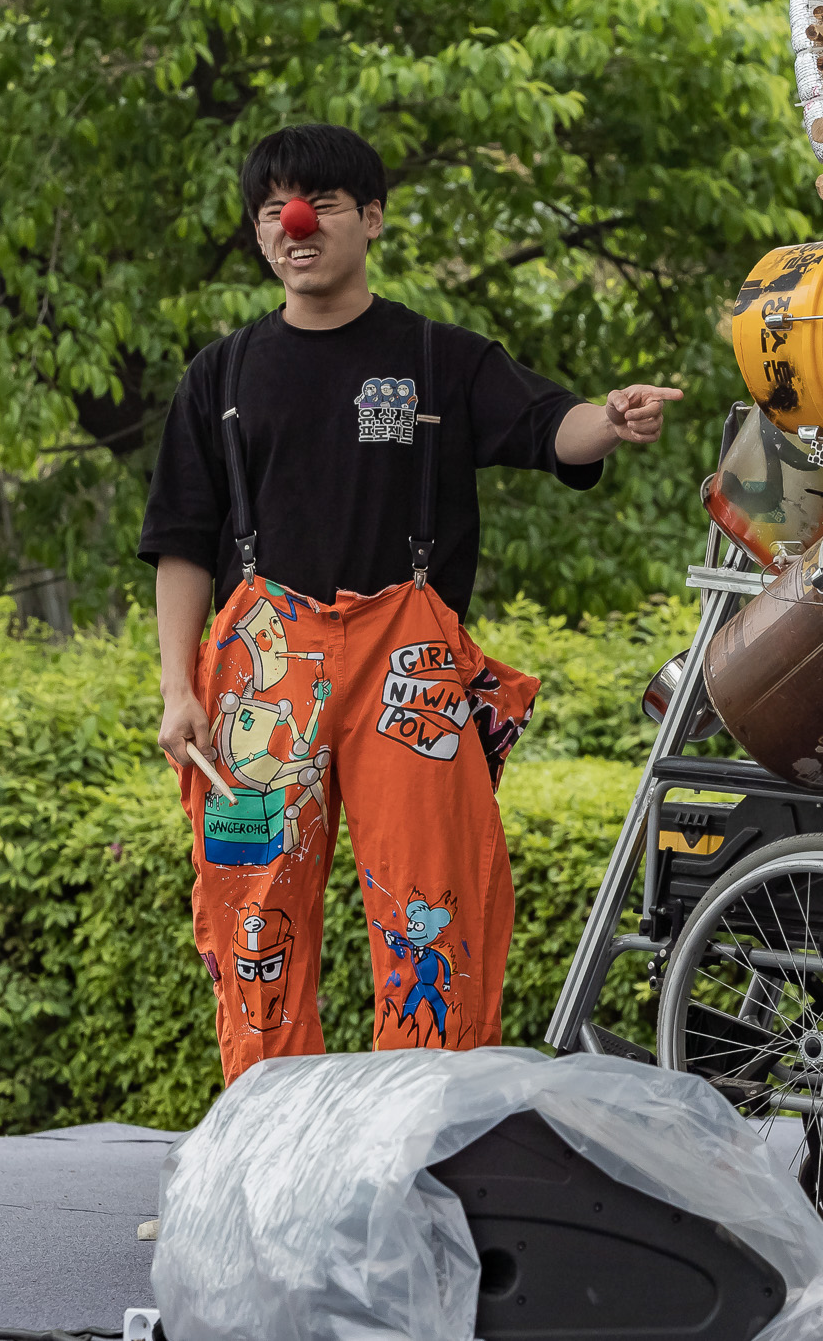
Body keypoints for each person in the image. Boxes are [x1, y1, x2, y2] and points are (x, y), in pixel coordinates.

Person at [141, 123, 680, 1082]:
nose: (293, 224)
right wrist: (178, 690)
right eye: (272, 210)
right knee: (252, 914)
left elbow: (553, 426)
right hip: (261, 681)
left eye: (320, 205)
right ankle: (269, 1163)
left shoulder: (439, 358)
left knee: (433, 906)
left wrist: (613, 417)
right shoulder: (218, 378)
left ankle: (420, 1150)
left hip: (409, 672)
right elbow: (182, 542)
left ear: (373, 219)